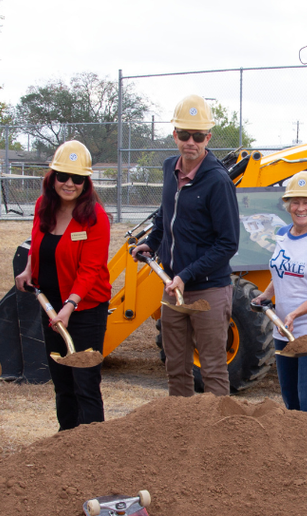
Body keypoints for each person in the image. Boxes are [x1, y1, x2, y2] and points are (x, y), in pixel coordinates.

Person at [131, 94, 240, 397]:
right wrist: (151, 243)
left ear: (208, 137)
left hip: (208, 289)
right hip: (172, 286)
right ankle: (180, 435)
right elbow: (166, 215)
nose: (190, 142)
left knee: (213, 368)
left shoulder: (218, 181)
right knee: (175, 367)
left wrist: (186, 274)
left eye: (197, 136)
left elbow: (228, 243)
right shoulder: (169, 168)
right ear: (174, 133)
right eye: (183, 134)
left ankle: (217, 439)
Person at [15, 141, 111, 430]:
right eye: (63, 176)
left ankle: (92, 448)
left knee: (85, 382)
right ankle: (66, 441)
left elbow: (90, 269)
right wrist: (29, 267)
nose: (69, 183)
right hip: (51, 305)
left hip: (85, 310)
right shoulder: (43, 207)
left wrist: (71, 305)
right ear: (52, 176)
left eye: (77, 178)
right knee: (62, 381)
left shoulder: (95, 218)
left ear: (86, 182)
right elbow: (38, 242)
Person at [252, 172, 307, 414]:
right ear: (288, 205)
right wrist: (266, 296)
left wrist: (294, 314)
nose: (301, 208)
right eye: (296, 202)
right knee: (290, 396)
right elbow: (280, 272)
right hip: (284, 327)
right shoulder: (282, 235)